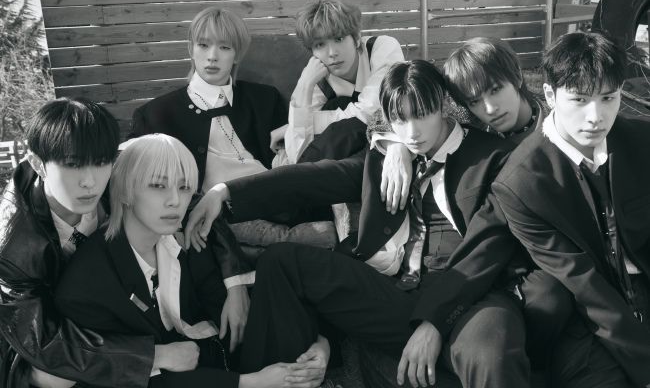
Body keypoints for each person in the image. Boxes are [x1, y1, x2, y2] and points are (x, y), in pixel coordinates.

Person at [188, 60, 533, 388]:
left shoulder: (491, 157)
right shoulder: (388, 157)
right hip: (395, 292)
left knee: (490, 347)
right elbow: (310, 179)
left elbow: (489, 251)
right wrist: (224, 192)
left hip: (467, 294)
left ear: (442, 105)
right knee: (280, 262)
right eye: (400, 120)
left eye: (422, 115)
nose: (412, 132)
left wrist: (434, 323)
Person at [54, 134, 329, 388]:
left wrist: (319, 343)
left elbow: (251, 307)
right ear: (125, 191)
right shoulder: (88, 284)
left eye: (184, 187)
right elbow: (128, 377)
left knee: (280, 267)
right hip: (190, 380)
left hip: (222, 360)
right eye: (158, 186)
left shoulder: (186, 240)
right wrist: (251, 383)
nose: (175, 200)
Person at [372, 37, 566, 371]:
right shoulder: (468, 117)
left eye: (496, 90)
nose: (489, 109)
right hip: (495, 238)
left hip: (549, 240)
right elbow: (392, 114)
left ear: (517, 77)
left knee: (551, 299)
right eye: (475, 100)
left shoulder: (556, 125)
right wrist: (395, 146)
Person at [492, 30, 650, 388]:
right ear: (550, 95)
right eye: (579, 99)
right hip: (586, 318)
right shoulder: (521, 183)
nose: (596, 116)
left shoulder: (642, 141)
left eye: (608, 98)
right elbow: (581, 281)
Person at [1, 99, 158, 387]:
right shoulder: (13, 244)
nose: (90, 182)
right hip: (35, 340)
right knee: (55, 379)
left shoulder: (116, 175)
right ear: (38, 164)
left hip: (104, 309)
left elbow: (180, 196)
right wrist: (153, 357)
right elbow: (40, 342)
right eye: (73, 164)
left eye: (100, 162)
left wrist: (233, 277)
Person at [130, 6, 287, 193]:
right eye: (203, 45)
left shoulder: (266, 99)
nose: (212, 57)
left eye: (224, 47)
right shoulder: (155, 115)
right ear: (191, 49)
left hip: (275, 200)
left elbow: (292, 164)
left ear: (237, 54)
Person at [272, 0, 404, 165]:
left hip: (390, 138)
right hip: (344, 156)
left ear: (356, 38)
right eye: (320, 45)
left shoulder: (382, 48)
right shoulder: (317, 77)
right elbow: (297, 155)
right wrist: (305, 84)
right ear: (312, 51)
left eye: (339, 39)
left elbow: (372, 112)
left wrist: (300, 124)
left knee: (347, 123)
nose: (332, 53)